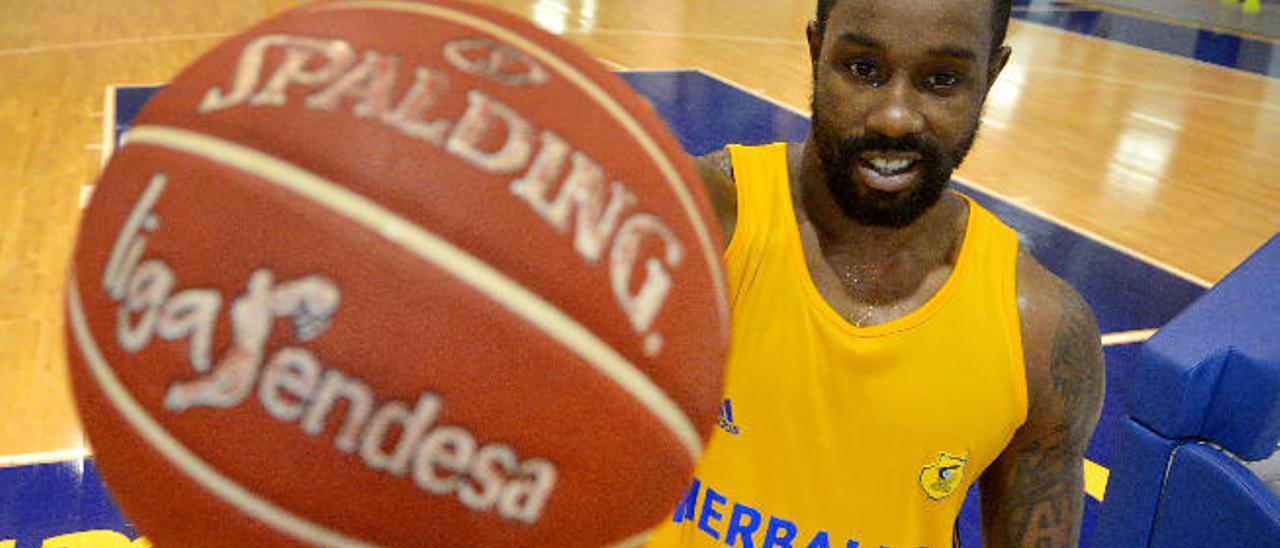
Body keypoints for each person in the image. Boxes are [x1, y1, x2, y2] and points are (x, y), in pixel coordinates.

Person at [646, 0, 1104, 546]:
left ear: (990, 76)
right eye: (863, 69)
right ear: (817, 52)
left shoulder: (1042, 332)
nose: (895, 116)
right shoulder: (692, 225)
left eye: (941, 79)